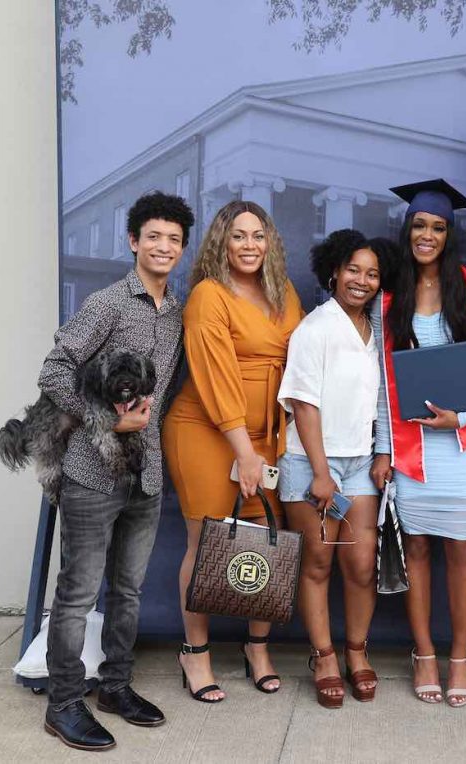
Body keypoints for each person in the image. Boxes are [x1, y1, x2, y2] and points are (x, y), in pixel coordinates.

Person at [37, 192, 194, 751]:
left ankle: (116, 686)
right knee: (78, 593)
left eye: (174, 239)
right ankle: (63, 704)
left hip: (145, 476)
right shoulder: (107, 303)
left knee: (128, 590)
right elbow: (54, 371)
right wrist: (105, 417)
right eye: (154, 236)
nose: (164, 247)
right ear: (133, 241)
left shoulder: (176, 312)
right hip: (91, 472)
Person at [369, 179, 466, 708]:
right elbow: (385, 381)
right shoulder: (389, 296)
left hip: (464, 443)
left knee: (462, 550)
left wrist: (464, 414)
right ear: (408, 231)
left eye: (439, 227)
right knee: (417, 546)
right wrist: (383, 448)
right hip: (409, 444)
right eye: (420, 225)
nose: (428, 235)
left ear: (450, 235)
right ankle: (424, 652)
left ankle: (460, 657)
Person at [163, 200, 303, 702]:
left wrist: (280, 438)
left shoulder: (282, 291)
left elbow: (299, 364)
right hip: (205, 429)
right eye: (239, 236)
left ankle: (256, 648)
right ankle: (195, 654)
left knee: (264, 540)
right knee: (205, 543)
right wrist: (245, 453)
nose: (249, 245)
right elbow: (216, 381)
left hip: (267, 434)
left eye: (258, 235)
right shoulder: (208, 294)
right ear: (222, 241)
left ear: (270, 243)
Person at [277, 229, 394, 709]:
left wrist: (383, 451)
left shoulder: (378, 330)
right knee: (319, 562)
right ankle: (323, 657)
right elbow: (303, 405)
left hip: (361, 460)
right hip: (311, 463)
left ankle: (356, 652)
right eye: (353, 270)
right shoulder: (315, 328)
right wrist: (322, 474)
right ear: (333, 272)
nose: (361, 280)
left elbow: (384, 397)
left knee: (362, 564)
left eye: (371, 273)